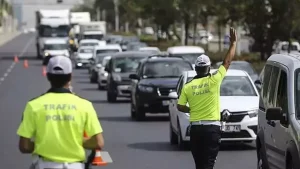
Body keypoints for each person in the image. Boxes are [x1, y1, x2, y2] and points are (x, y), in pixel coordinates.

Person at [17, 55, 104, 169]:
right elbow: (98, 143)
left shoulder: (33, 106)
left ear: (48, 76)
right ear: (70, 77)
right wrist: (74, 141)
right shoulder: (85, 105)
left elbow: (24, 146)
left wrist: (44, 144)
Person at [177, 27, 237, 169]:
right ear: (209, 68)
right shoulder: (215, 80)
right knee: (208, 164)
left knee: (199, 165)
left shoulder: (188, 86)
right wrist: (233, 44)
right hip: (212, 130)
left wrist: (191, 109)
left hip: (196, 130)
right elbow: (227, 62)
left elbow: (180, 106)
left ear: (196, 69)